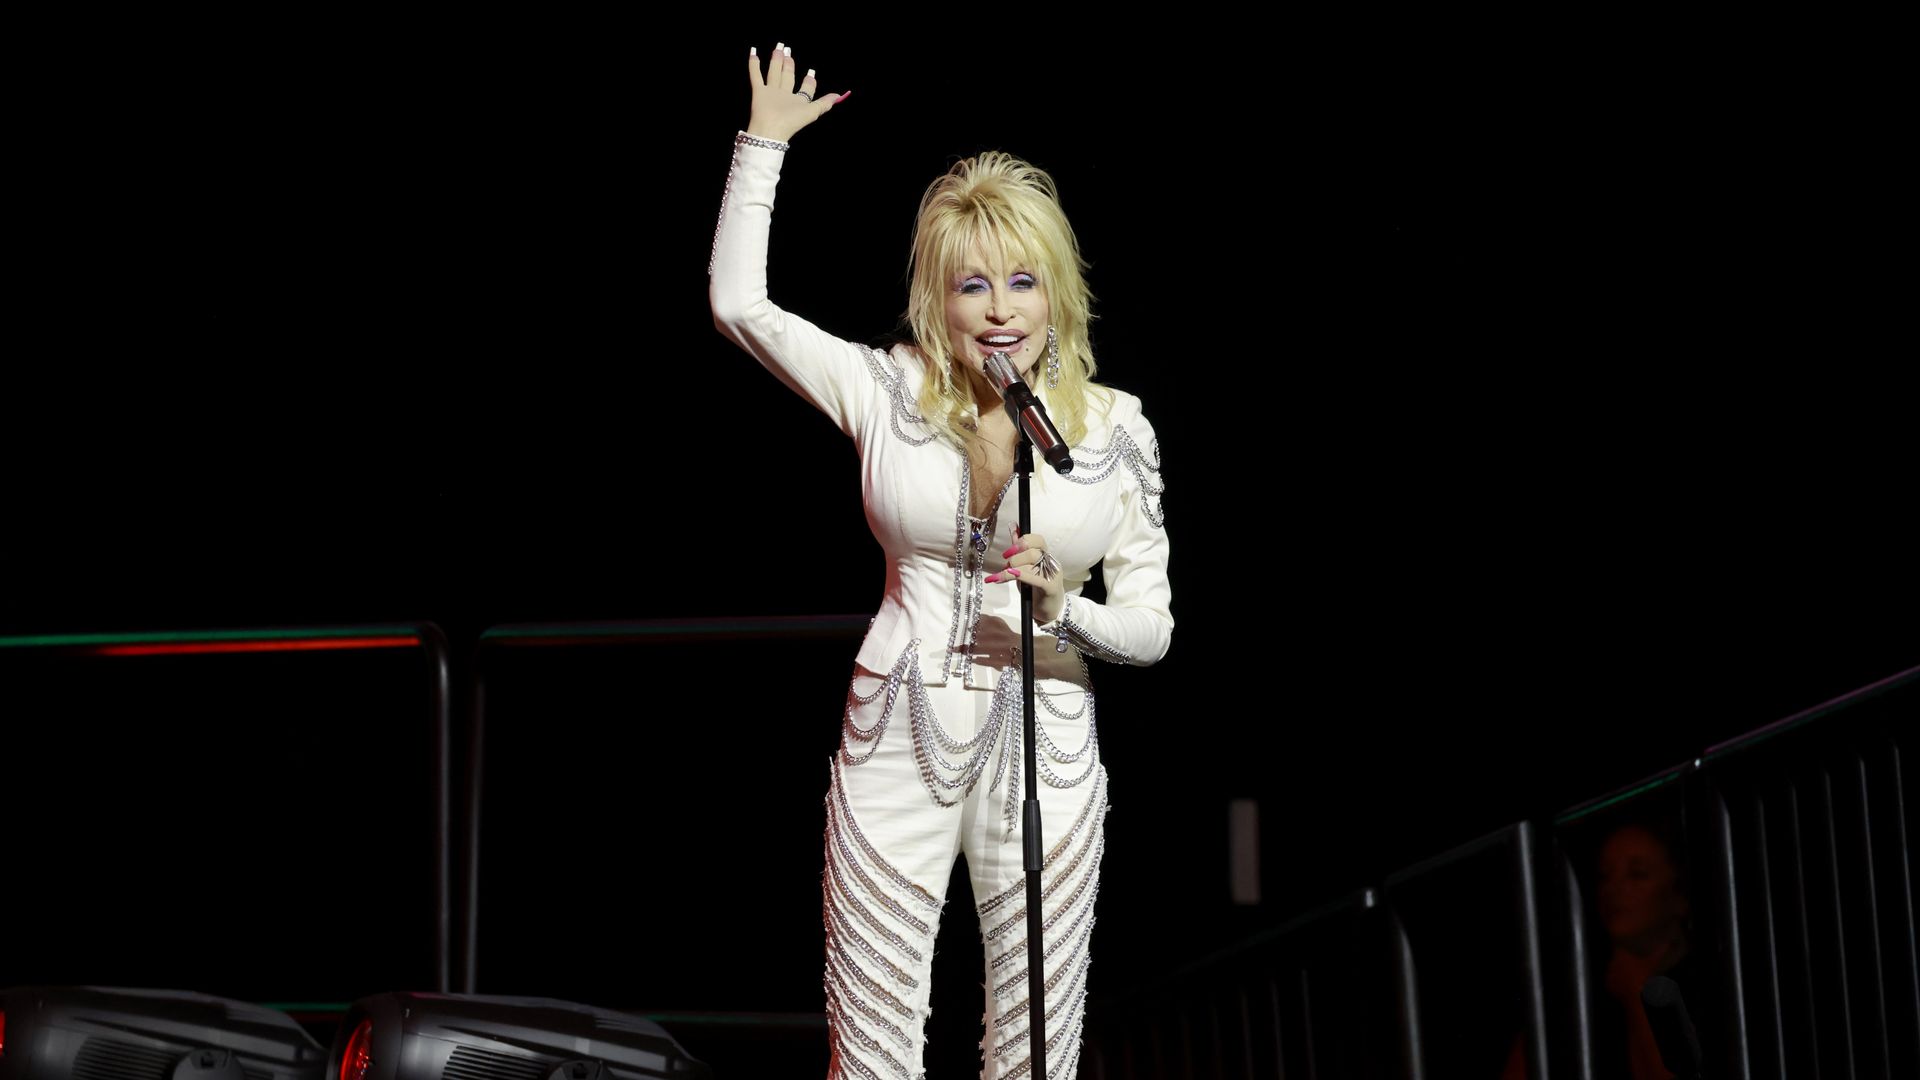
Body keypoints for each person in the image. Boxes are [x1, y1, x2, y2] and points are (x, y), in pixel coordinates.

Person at [708, 42, 1174, 1079]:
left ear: (1056, 292)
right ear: (939, 297)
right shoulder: (884, 390)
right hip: (897, 731)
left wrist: (1069, 609)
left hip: (1045, 744)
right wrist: (764, 149)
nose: (1001, 308)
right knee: (871, 1051)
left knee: (1035, 1052)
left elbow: (1154, 623)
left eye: (1022, 282)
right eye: (974, 286)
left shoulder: (1112, 429)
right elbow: (741, 307)